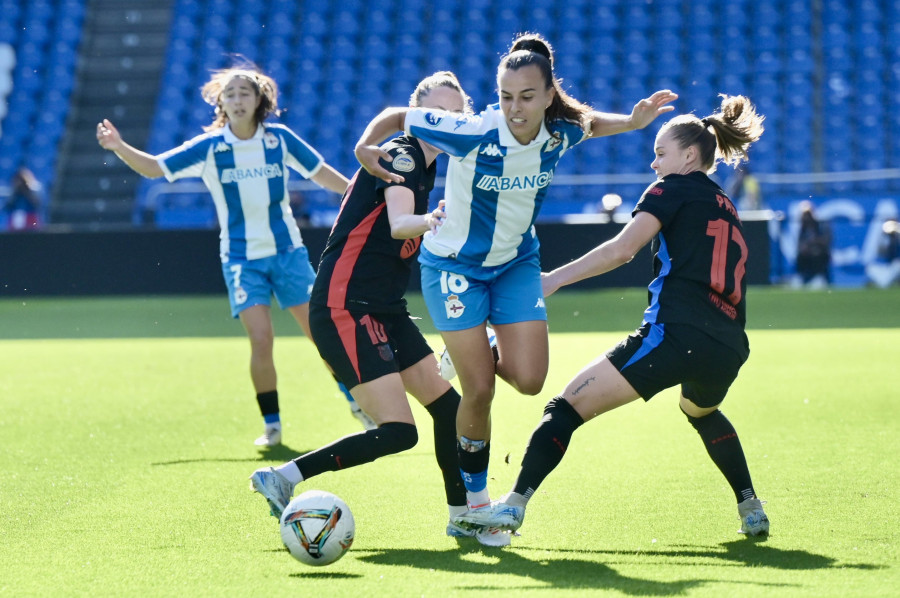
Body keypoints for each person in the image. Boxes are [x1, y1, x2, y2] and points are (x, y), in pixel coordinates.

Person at [354, 32, 678, 515]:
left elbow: (590, 123)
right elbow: (398, 116)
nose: (515, 108)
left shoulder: (560, 131)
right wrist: (365, 146)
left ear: (549, 95)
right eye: (506, 96)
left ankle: (476, 349)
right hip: (453, 267)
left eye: (528, 96)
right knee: (479, 389)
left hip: (517, 264)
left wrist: (633, 122)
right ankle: (475, 502)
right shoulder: (472, 128)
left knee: (529, 381)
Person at [453, 94, 770, 539]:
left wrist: (555, 279)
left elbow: (623, 250)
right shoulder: (727, 205)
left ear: (690, 156)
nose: (654, 164)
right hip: (729, 345)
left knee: (562, 409)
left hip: (676, 335)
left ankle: (512, 506)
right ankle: (751, 508)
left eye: (660, 153)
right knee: (702, 412)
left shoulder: (669, 189)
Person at [248, 72, 507, 546]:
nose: (447, 120)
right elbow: (398, 224)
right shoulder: (406, 154)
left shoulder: (425, 166)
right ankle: (284, 476)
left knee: (449, 409)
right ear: (418, 113)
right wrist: (433, 221)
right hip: (346, 305)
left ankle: (462, 516)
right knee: (398, 431)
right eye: (439, 111)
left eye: (456, 114)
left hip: (382, 307)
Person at [96, 62, 376, 447]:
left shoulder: (279, 140)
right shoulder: (210, 148)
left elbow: (320, 172)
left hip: (288, 253)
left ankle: (359, 406)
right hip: (242, 260)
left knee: (323, 337)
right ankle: (272, 426)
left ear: (259, 98)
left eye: (244, 92)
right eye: (230, 94)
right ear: (220, 103)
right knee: (261, 339)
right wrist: (119, 146)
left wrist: (359, 200)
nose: (237, 99)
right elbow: (156, 169)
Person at [794, 200, 831, 289]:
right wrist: (805, 247)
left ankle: (819, 277)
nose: (806, 217)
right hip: (807, 253)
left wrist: (814, 242)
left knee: (817, 254)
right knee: (800, 256)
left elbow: (826, 240)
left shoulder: (821, 225)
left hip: (821, 252)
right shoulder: (803, 228)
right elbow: (800, 243)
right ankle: (802, 277)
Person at [3, 167, 43, 231]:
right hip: (15, 217)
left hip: (30, 217)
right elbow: (7, 206)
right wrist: (16, 191)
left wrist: (26, 191)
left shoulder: (34, 191)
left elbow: (37, 204)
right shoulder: (14, 193)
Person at [866, 218, 900, 288]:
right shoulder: (883, 237)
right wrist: (884, 235)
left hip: (895, 265)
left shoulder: (898, 234)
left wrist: (897, 234)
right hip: (886, 267)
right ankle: (883, 283)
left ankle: (888, 282)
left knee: (897, 264)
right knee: (870, 268)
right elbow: (879, 252)